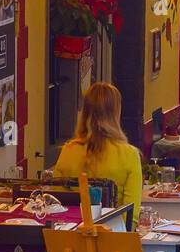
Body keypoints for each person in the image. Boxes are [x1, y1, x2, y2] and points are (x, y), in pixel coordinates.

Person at [54, 82, 142, 223]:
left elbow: (57, 203)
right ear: (116, 113)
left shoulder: (68, 151)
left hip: (73, 235)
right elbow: (131, 214)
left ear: (85, 112)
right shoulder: (129, 155)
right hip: (112, 236)